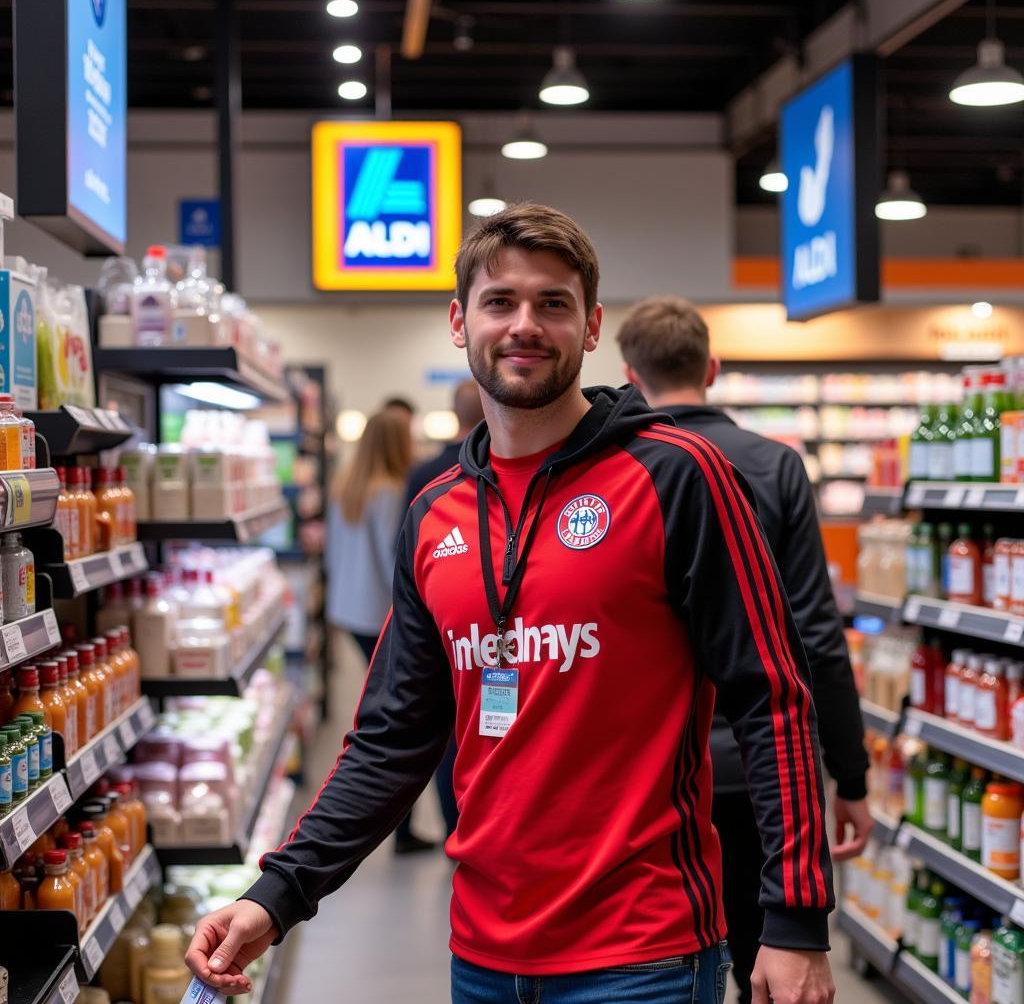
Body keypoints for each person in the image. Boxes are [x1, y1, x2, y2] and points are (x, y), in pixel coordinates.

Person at [186, 204, 836, 1004]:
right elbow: (393, 736)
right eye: (500, 302)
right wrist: (274, 896)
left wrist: (796, 920)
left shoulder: (679, 477)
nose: (524, 325)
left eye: (552, 304)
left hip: (645, 955)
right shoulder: (436, 514)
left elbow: (772, 698)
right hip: (483, 956)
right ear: (460, 322)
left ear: (592, 327)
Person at [617, 295, 870, 1004]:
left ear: (629, 374)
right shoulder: (774, 464)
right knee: (773, 965)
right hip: (765, 774)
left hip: (659, 780)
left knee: (671, 966)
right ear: (714, 369)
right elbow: (816, 636)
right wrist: (847, 774)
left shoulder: (618, 472)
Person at [324, 407, 432, 854]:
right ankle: (401, 830)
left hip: (348, 609)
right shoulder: (390, 492)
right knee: (400, 718)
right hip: (379, 612)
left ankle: (400, 827)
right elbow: (400, 557)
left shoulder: (344, 487)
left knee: (386, 710)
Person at [404, 379, 485, 840]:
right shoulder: (452, 478)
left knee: (445, 726)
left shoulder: (425, 475)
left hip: (439, 623)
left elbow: (409, 552)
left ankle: (457, 823)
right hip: (493, 634)